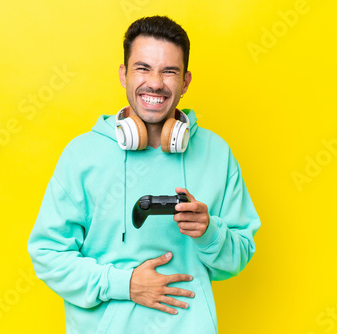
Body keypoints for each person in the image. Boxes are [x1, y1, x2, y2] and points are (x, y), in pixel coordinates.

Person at [27, 15, 261, 334]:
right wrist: (126, 284)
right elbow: (48, 255)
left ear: (186, 81)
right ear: (124, 75)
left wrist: (210, 231)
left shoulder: (217, 154)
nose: (155, 83)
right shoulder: (81, 155)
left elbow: (238, 256)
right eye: (143, 68)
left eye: (169, 71)